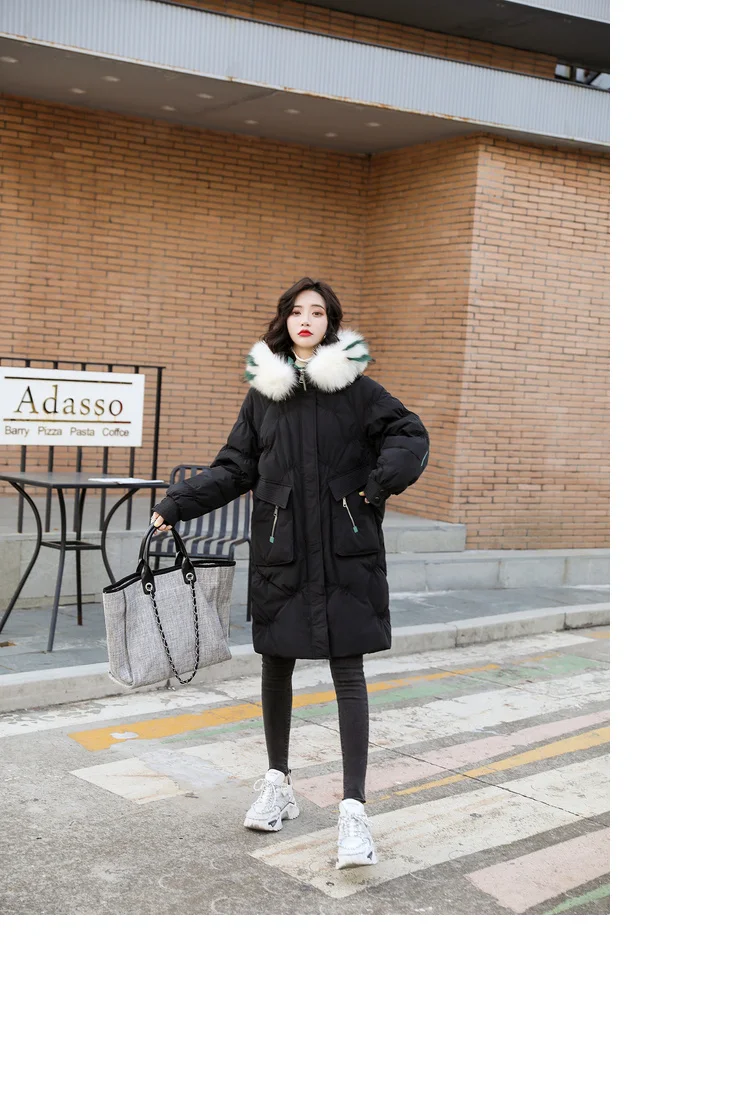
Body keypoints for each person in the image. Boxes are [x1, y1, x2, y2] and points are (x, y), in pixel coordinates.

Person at [150, 277, 429, 869]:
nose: (307, 319)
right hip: (283, 553)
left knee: (347, 671)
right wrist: (176, 504)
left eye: (318, 312)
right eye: (297, 311)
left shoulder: (358, 390)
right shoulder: (264, 396)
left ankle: (354, 811)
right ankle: (277, 783)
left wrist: (376, 486)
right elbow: (234, 468)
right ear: (285, 320)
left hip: (345, 551)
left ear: (331, 323)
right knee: (276, 664)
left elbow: (409, 434)